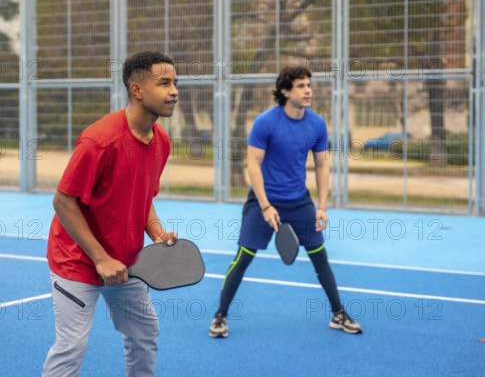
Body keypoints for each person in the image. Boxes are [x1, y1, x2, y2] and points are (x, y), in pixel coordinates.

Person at [42, 51, 179, 377]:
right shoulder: (100, 140)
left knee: (145, 335)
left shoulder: (160, 140)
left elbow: (142, 197)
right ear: (137, 90)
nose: (174, 90)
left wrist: (156, 232)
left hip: (126, 263)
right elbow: (63, 201)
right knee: (71, 348)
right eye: (164, 83)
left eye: (175, 82)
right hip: (77, 262)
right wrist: (101, 259)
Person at [209, 66, 363, 338]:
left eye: (309, 85)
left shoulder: (316, 124)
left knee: (320, 257)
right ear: (285, 91)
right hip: (263, 201)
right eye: (301, 86)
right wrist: (266, 206)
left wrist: (323, 206)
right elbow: (253, 165)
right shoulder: (266, 122)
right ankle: (220, 316)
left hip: (299, 201)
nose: (308, 91)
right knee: (243, 257)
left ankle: (338, 313)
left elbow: (322, 167)